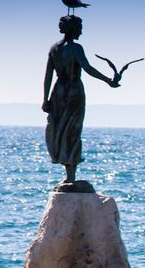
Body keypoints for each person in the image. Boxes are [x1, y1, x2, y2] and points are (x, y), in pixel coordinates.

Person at [42, 15, 119, 183]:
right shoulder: (76, 48)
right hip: (73, 93)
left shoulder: (54, 48)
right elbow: (88, 68)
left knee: (61, 130)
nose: (81, 32)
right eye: (79, 28)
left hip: (58, 93)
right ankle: (71, 177)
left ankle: (68, 175)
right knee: (72, 132)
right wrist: (108, 81)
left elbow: (48, 76)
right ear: (73, 29)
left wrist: (45, 99)